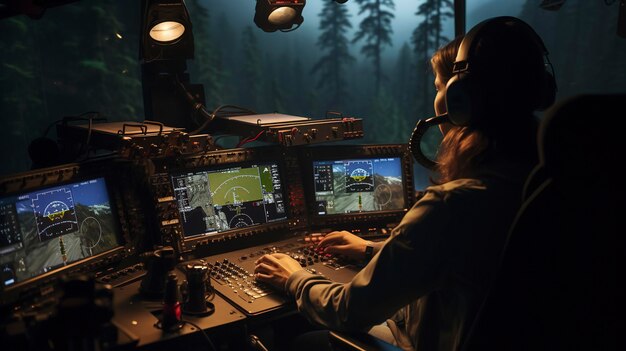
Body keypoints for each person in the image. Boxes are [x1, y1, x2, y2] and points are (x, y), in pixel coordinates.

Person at [254, 16, 554, 351]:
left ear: (461, 100)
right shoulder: (547, 186)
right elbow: (459, 258)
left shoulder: (451, 205)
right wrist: (371, 250)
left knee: (303, 343)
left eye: (440, 88)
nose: (438, 99)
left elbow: (349, 311)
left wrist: (295, 278)